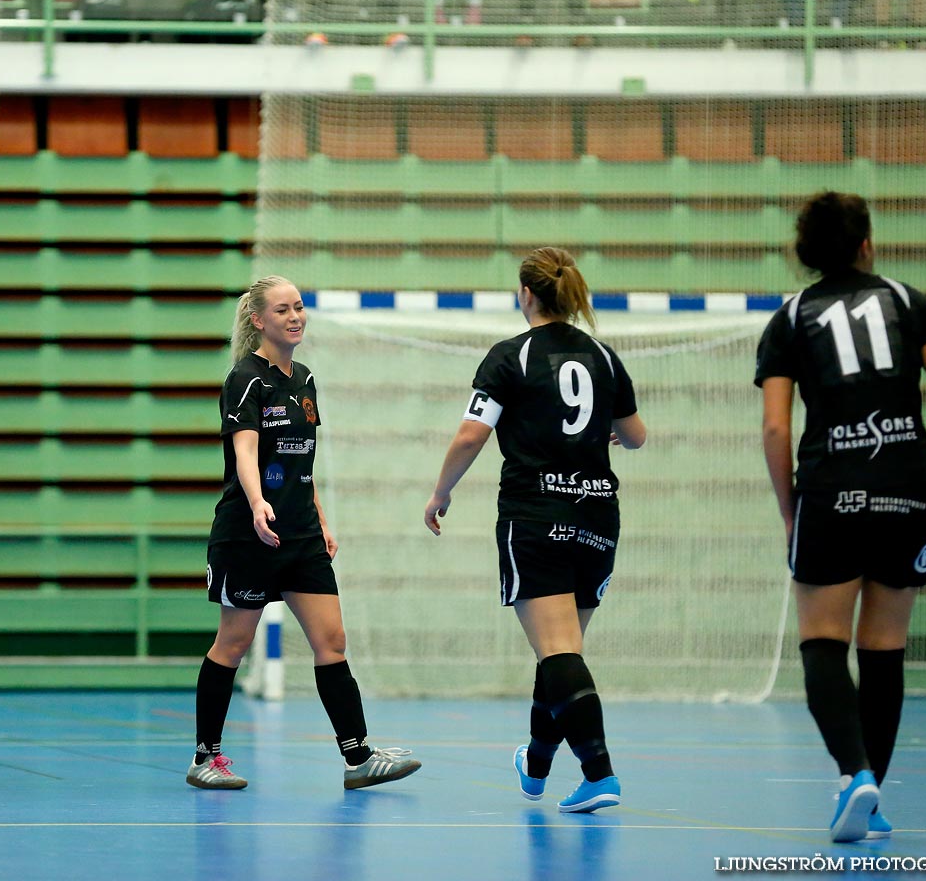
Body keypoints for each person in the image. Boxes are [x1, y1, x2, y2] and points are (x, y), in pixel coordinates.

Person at [755, 191, 926, 843]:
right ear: (866, 244)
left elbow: (777, 427)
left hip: (832, 490)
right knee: (885, 646)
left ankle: (853, 772)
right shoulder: (907, 300)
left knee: (821, 640)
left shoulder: (790, 317)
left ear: (806, 252)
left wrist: (791, 509)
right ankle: (874, 794)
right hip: (907, 487)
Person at [423, 247, 645, 814]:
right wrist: (605, 434)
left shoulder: (510, 356)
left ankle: (599, 773)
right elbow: (637, 435)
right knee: (561, 652)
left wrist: (441, 491)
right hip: (598, 516)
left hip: (537, 515)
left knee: (557, 652)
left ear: (526, 294)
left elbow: (472, 435)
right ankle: (537, 763)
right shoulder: (601, 354)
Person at [189, 276, 421, 791]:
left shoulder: (306, 380)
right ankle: (206, 756)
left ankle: (358, 756)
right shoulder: (245, 380)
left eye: (298, 307)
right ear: (258, 321)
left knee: (331, 640)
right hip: (249, 533)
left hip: (301, 536)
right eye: (282, 310)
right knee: (233, 642)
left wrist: (318, 517)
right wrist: (256, 503)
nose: (295, 317)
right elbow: (246, 453)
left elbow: (301, 461)